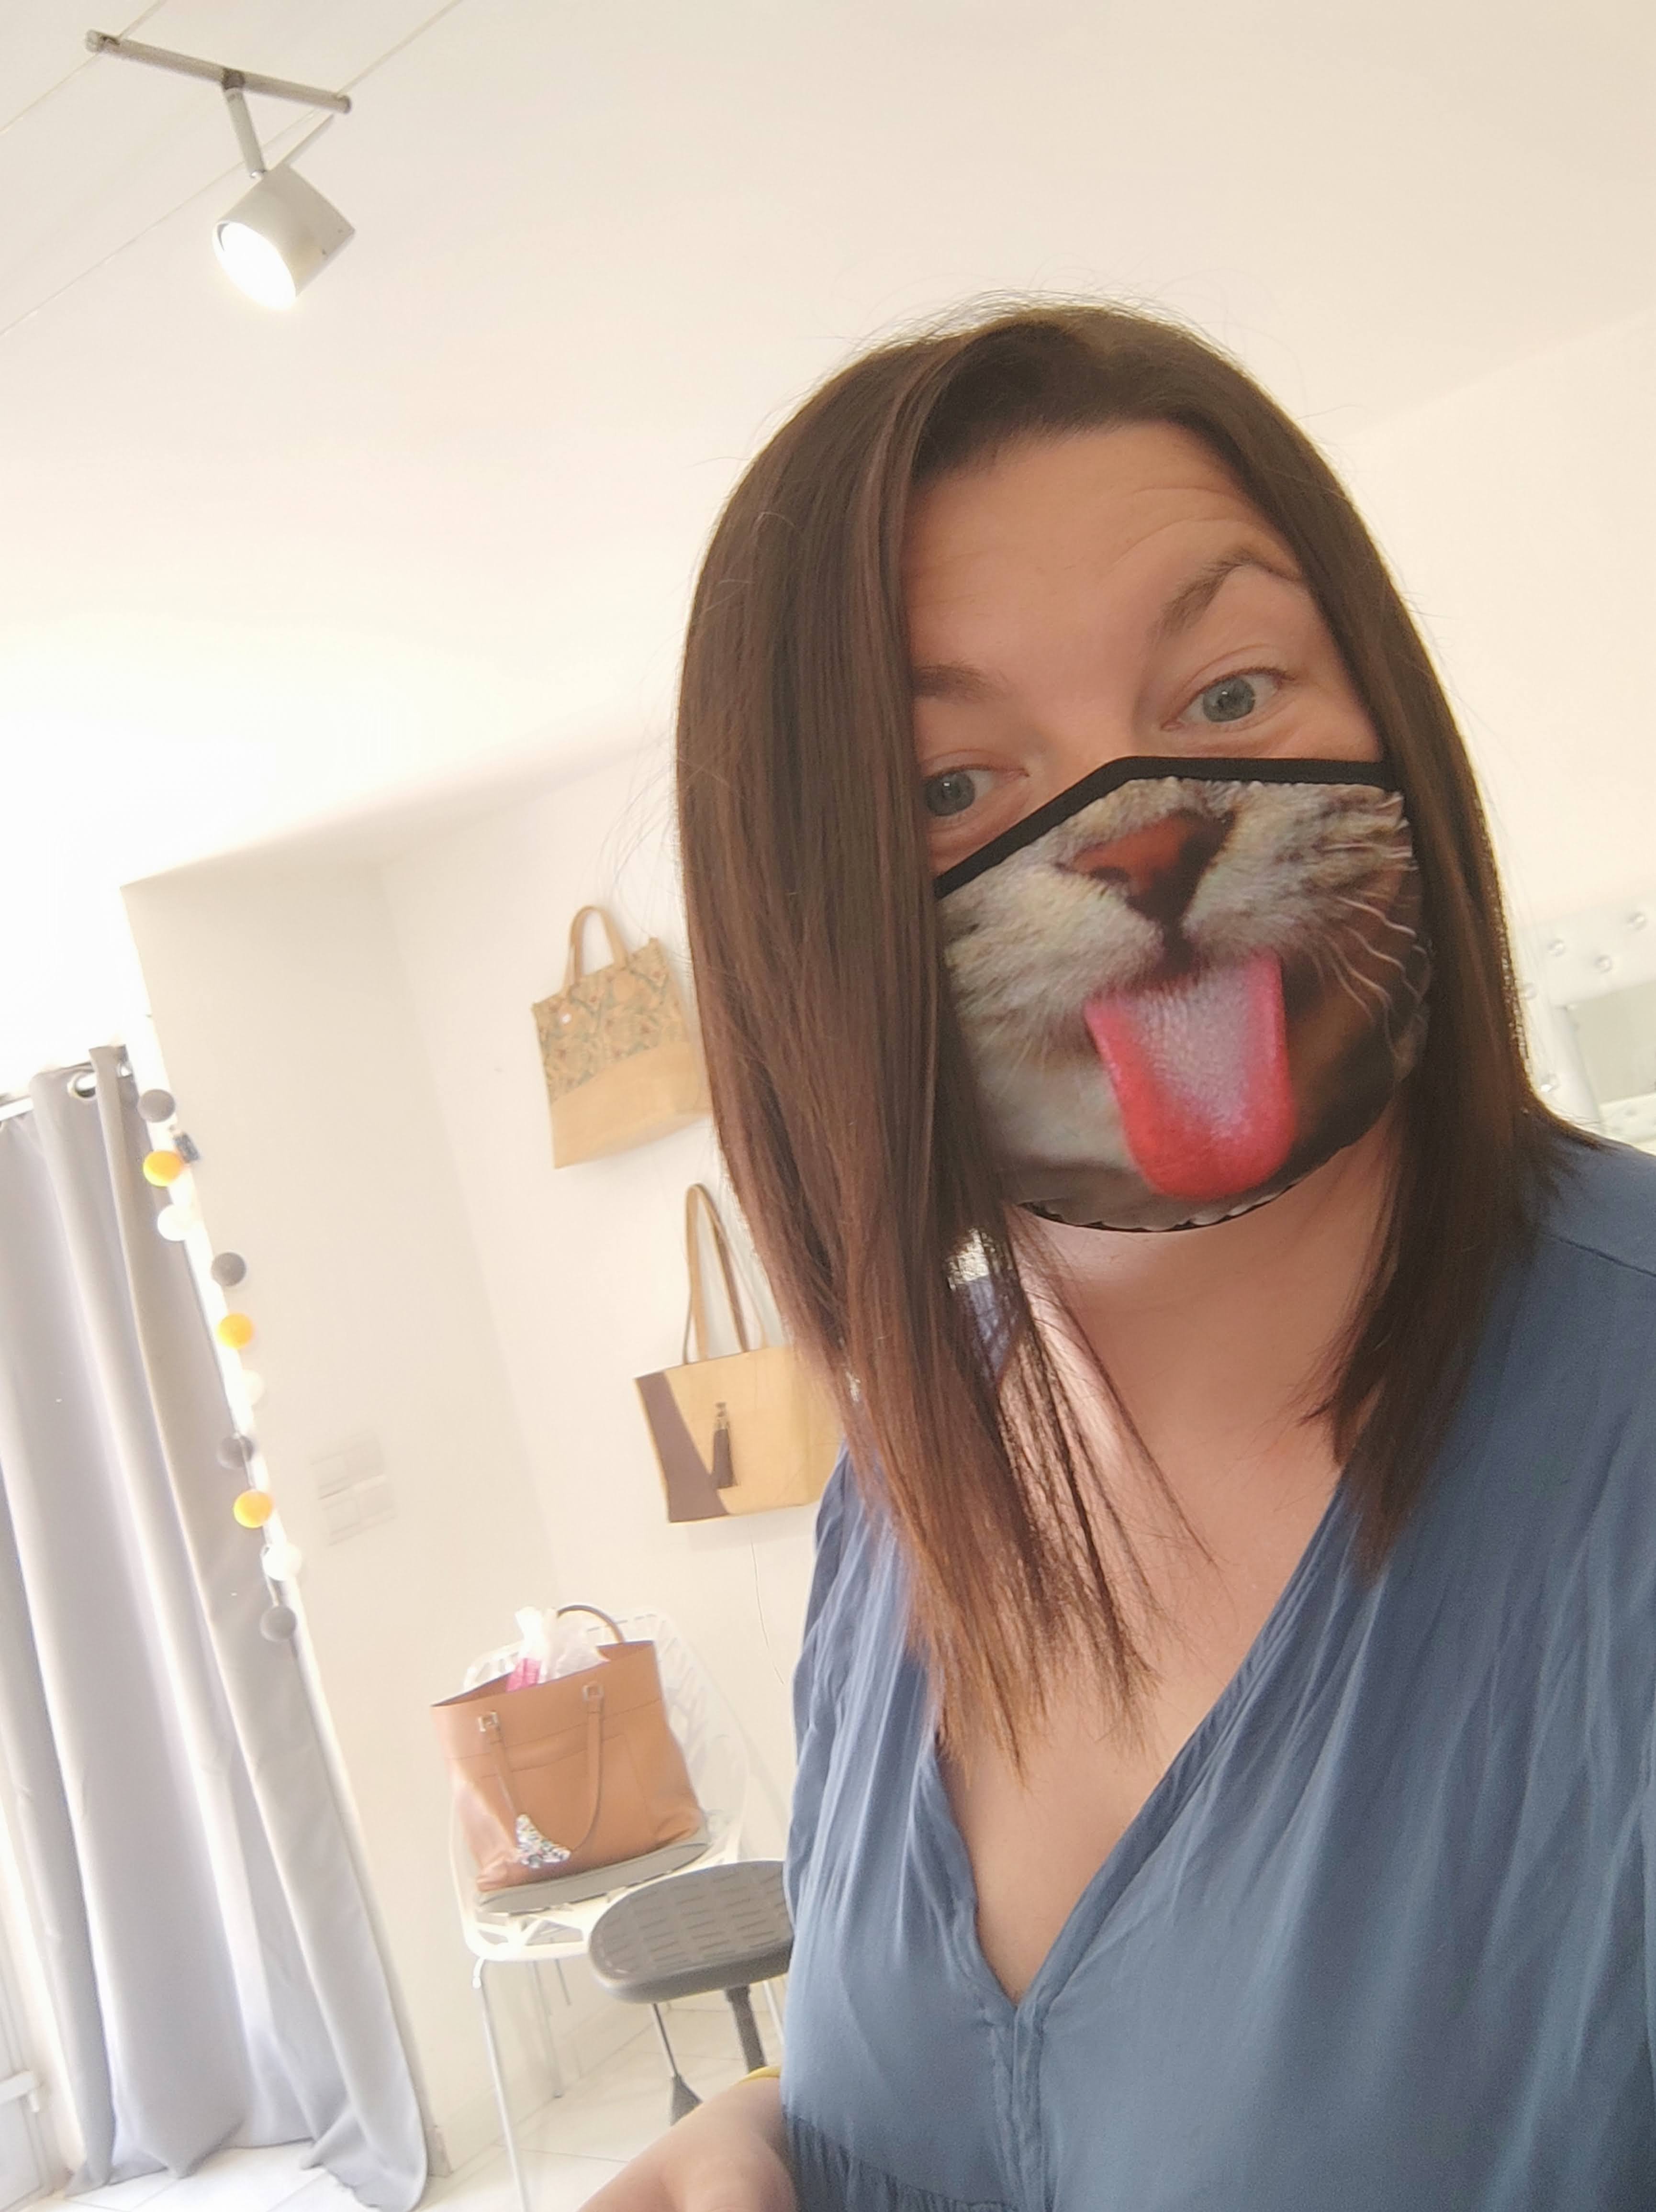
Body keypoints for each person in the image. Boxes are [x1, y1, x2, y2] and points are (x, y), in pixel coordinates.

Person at [590, 306, 1656, 2209]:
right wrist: (765, 2131)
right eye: (949, 787)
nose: (1145, 832)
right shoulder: (893, 1488)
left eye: (1230, 694)